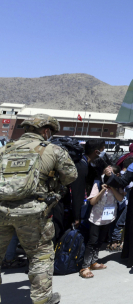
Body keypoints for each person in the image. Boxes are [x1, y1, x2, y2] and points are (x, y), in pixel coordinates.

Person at [0, 114, 77, 304]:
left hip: (1, 210)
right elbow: (71, 175)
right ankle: (42, 300)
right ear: (46, 131)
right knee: (39, 257)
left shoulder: (4, 149)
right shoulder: (53, 150)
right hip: (33, 213)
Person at [79, 166, 124, 279]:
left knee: (100, 240)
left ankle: (94, 262)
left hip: (109, 218)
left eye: (113, 174)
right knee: (92, 241)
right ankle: (85, 266)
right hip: (96, 218)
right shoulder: (98, 184)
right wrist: (103, 189)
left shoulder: (118, 186)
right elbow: (92, 201)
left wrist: (112, 188)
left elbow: (120, 199)